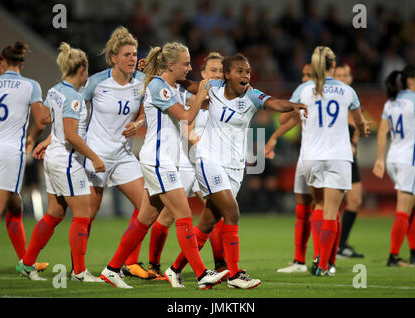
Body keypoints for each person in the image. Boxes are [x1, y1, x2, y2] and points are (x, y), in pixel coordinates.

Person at [166, 53, 308, 289]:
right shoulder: (212, 87)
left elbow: (275, 103)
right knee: (233, 212)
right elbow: (188, 85)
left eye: (248, 71)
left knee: (208, 223)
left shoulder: (252, 95)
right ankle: (234, 275)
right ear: (227, 74)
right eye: (240, 71)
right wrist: (167, 75)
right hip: (209, 160)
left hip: (234, 167)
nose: (246, 75)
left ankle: (174, 269)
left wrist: (294, 105)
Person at [100, 42, 229, 289]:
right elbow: (186, 116)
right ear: (170, 65)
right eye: (186, 63)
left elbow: (200, 105)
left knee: (145, 218)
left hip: (164, 160)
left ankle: (112, 269)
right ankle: (201, 274)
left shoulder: (171, 86)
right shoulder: (160, 86)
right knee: (183, 214)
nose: (190, 68)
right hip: (159, 161)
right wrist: (201, 94)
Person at [15, 42, 106, 282]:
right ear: (82, 70)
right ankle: (79, 272)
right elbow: (72, 135)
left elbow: (45, 116)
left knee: (54, 213)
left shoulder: (55, 89)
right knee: (83, 215)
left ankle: (26, 263)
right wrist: (94, 157)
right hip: (67, 161)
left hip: (54, 157)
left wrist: (48, 140)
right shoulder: (74, 98)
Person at [146, 52, 228, 276]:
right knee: (167, 215)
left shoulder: (221, 101)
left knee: (215, 210)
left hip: (203, 165)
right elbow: (182, 121)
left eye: (221, 71)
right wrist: (193, 137)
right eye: (213, 71)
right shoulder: (190, 94)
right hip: (183, 162)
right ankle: (154, 264)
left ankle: (221, 264)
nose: (217, 75)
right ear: (203, 74)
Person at [80, 27, 152, 279]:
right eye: (126, 55)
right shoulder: (96, 83)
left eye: (134, 54)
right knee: (88, 214)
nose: (132, 59)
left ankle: (129, 263)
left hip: (123, 155)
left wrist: (139, 123)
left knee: (147, 206)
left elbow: (147, 110)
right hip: (96, 155)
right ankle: (79, 269)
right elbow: (71, 107)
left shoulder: (142, 82)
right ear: (113, 58)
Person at [292, 46, 369, 276]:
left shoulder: (304, 89)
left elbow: (287, 112)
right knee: (332, 211)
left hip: (312, 157)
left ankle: (317, 256)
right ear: (333, 66)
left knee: (318, 204)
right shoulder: (347, 91)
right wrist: (363, 128)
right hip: (339, 156)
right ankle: (324, 265)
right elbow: (358, 123)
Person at [0, 41, 48, 272]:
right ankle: (26, 262)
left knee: (15, 206)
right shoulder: (31, 85)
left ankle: (26, 262)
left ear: (2, 62)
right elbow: (41, 121)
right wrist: (31, 137)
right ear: (22, 63)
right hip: (10, 153)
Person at [373, 65, 415, 267]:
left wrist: (380, 159)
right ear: (410, 81)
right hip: (410, 161)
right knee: (403, 210)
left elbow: (382, 132)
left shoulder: (391, 102)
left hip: (393, 159)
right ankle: (393, 257)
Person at [266, 63, 315, 273]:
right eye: (303, 75)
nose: (304, 79)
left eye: (309, 75)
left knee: (324, 208)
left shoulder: (305, 91)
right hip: (311, 156)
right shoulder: (340, 92)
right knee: (309, 207)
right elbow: (291, 119)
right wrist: (275, 137)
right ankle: (303, 261)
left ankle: (323, 261)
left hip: (320, 156)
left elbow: (285, 116)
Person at [334, 64, 364, 259]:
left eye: (346, 75)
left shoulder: (351, 98)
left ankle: (341, 244)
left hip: (351, 154)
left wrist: (358, 134)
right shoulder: (332, 99)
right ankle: (329, 247)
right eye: (339, 75)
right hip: (337, 154)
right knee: (330, 203)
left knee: (355, 200)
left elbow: (358, 126)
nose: (343, 78)